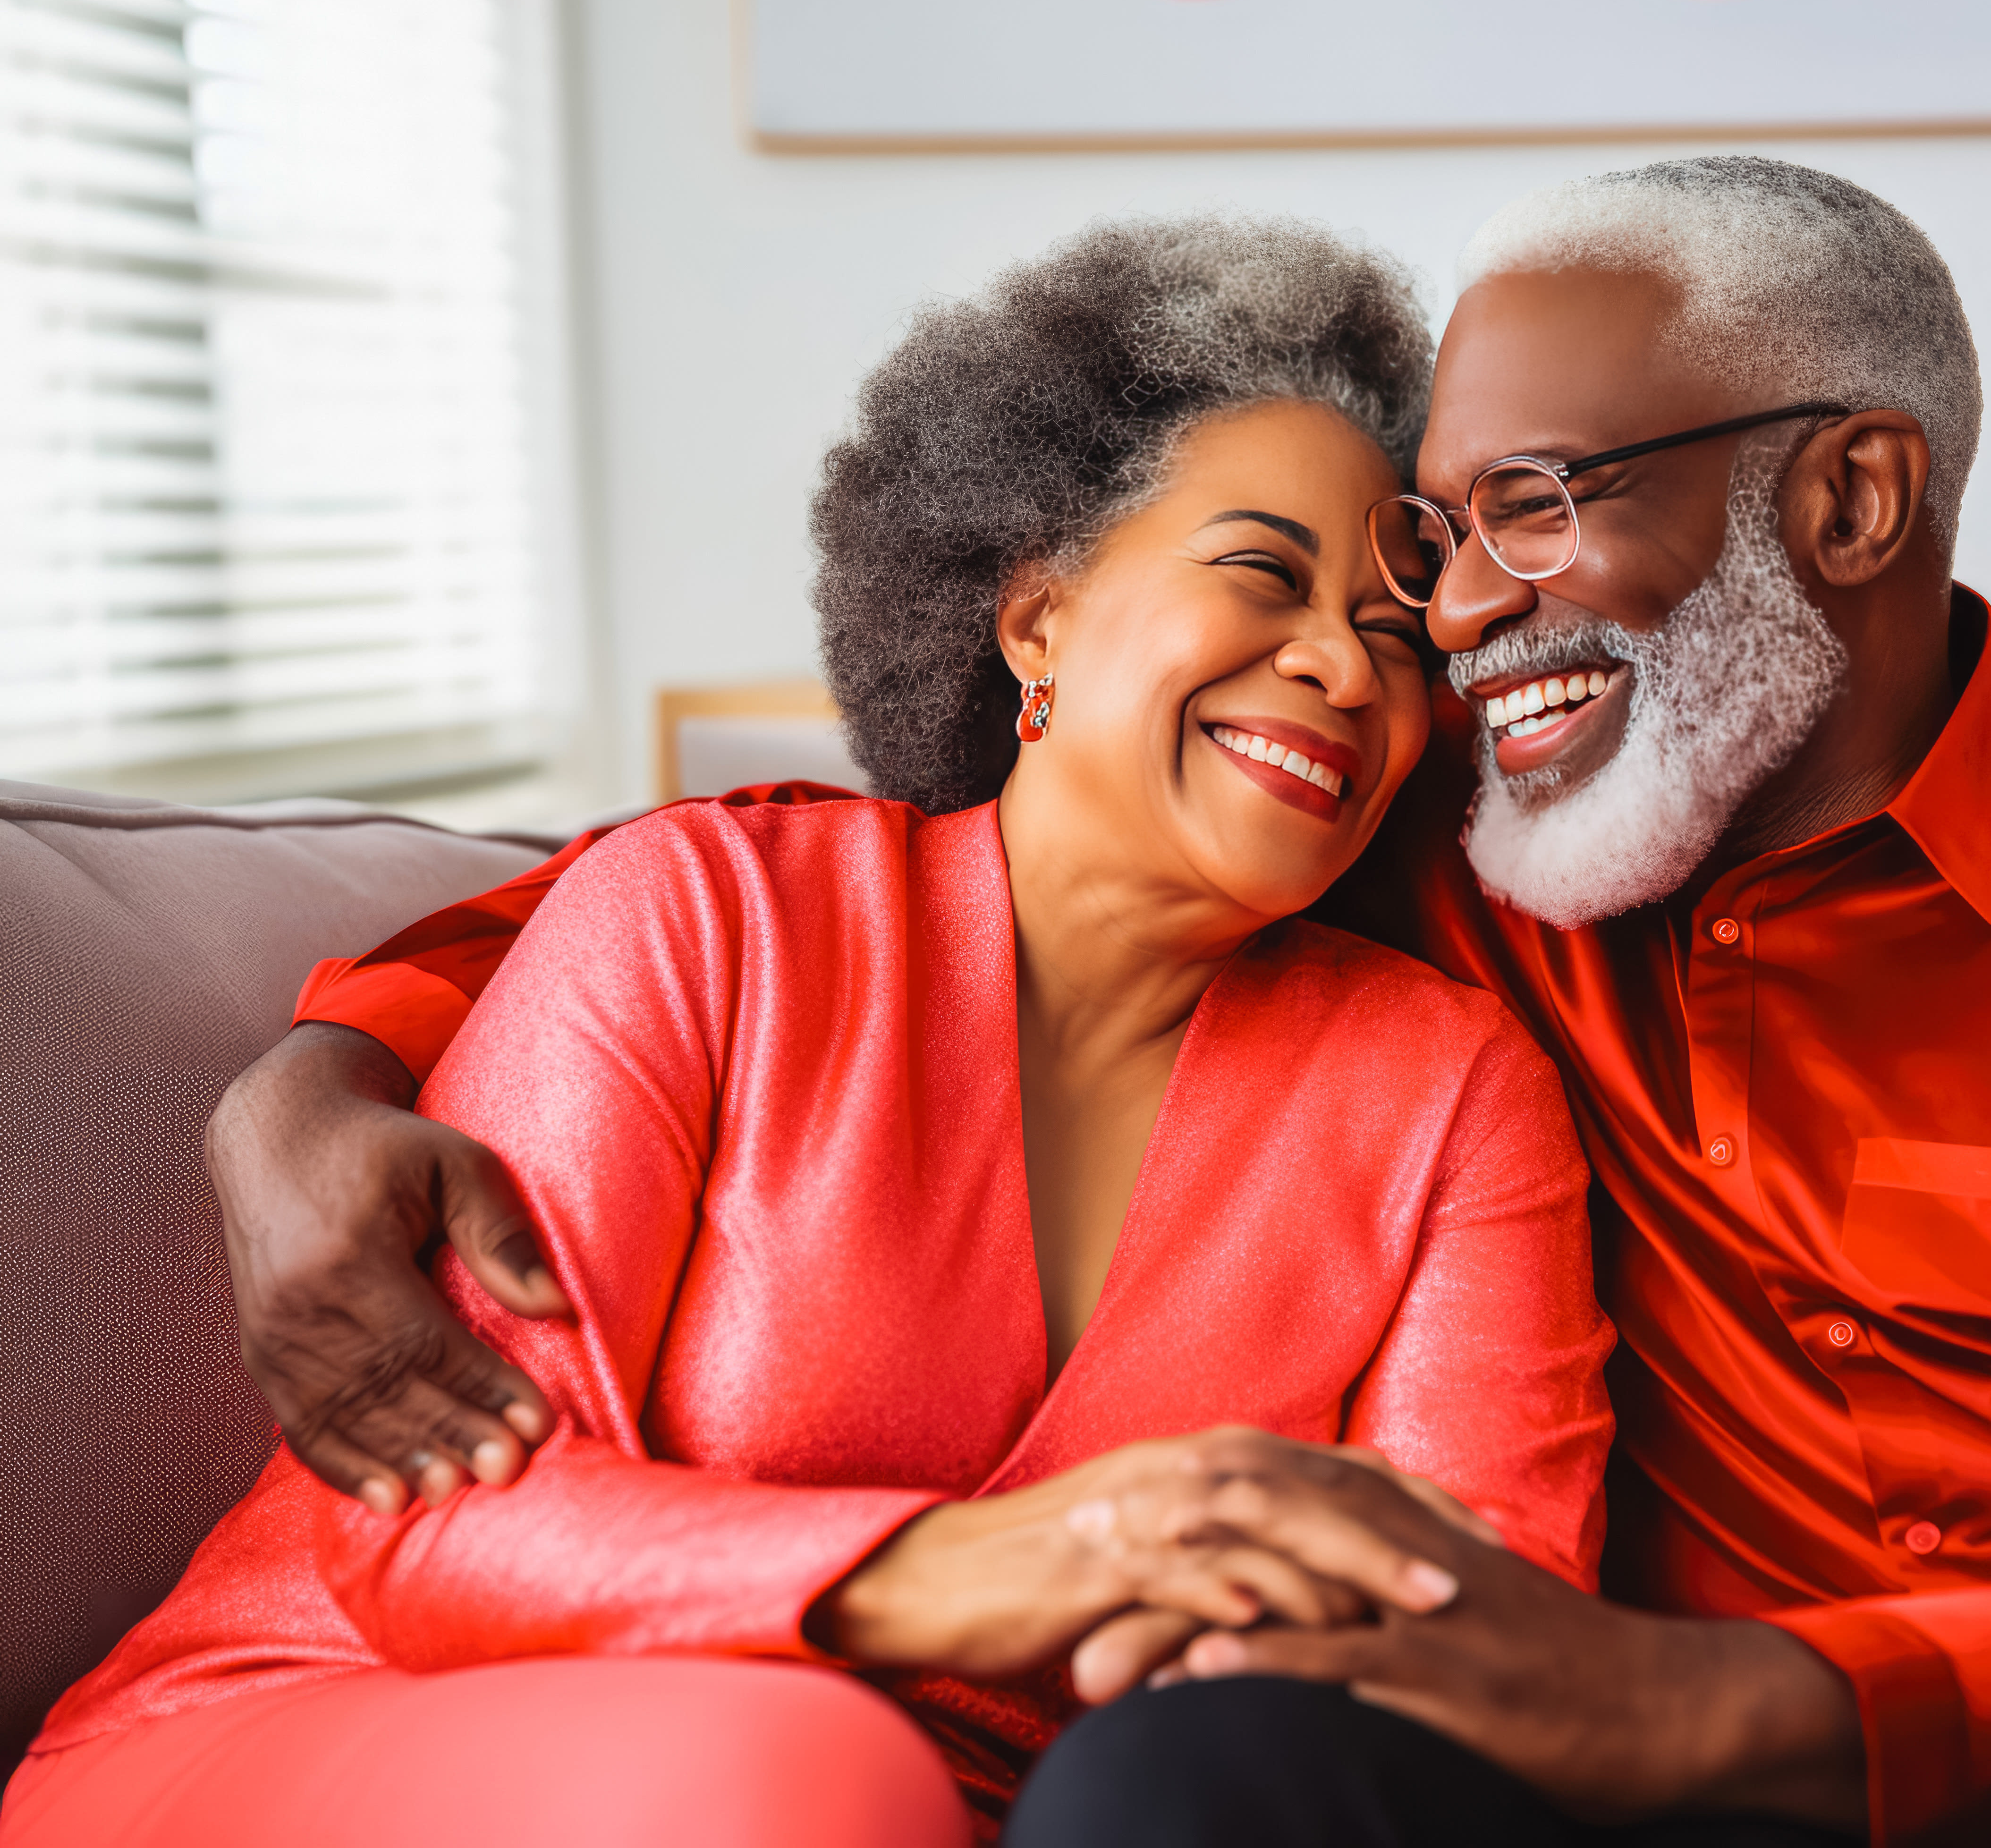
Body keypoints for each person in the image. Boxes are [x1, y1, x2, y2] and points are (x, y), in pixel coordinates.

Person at [144, 161, 1991, 1848]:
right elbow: (891, 889)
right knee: (1190, 1785)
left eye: (1522, 519)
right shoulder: (1437, 846)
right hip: (1631, 1796)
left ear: (1850, 497)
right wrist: (317, 1071)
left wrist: (1741, 1706)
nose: (1444, 621)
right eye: (1422, 549)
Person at [0, 217, 1618, 1848]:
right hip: (359, 1716)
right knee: (806, 1773)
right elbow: (424, 1525)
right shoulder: (714, 916)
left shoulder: (1454, 1088)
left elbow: (1478, 1610)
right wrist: (970, 1573)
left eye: (1401, 638)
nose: (1345, 664)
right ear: (1037, 620)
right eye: (1265, 573)